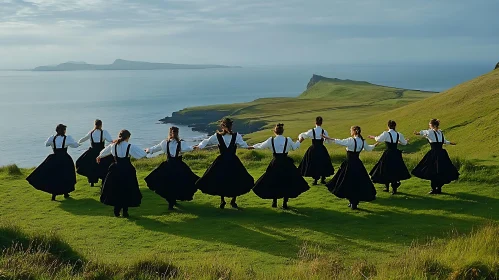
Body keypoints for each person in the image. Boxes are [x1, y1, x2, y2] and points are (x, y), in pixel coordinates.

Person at [194, 118, 254, 209]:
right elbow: (207, 141)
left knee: (231, 179)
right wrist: (200, 146)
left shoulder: (234, 135)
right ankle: (226, 200)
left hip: (227, 161)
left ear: (223, 126)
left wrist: (200, 146)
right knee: (226, 179)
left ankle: (230, 200)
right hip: (228, 161)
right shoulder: (220, 136)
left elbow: (207, 141)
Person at [251, 123, 309, 209]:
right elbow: (295, 147)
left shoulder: (271, 140)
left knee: (274, 181)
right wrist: (299, 140)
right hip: (286, 163)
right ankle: (285, 203)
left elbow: (261, 146)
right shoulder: (287, 140)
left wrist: (252, 147)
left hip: (275, 163)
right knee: (287, 181)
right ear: (283, 131)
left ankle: (274, 201)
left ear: (275, 132)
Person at [145, 126, 199, 210]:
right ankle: (171, 201)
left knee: (173, 184)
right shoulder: (174, 143)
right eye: (173, 132)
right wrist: (149, 150)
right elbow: (156, 148)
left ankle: (172, 201)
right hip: (175, 166)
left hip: (172, 166)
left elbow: (156, 148)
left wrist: (149, 150)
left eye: (174, 132)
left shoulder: (172, 143)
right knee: (172, 183)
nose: (173, 134)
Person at [323, 126, 377, 210]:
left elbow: (340, 142)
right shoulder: (362, 141)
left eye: (351, 130)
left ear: (355, 131)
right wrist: (375, 145)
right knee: (358, 182)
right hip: (358, 164)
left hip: (349, 164)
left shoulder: (351, 140)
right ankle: (354, 202)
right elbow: (369, 148)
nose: (350, 132)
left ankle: (352, 201)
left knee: (347, 182)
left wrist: (328, 138)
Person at [97, 129, 147, 217]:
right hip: (127, 170)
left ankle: (116, 210)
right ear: (127, 137)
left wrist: (99, 156)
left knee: (116, 189)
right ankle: (125, 211)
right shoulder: (129, 146)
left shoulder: (113, 145)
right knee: (127, 189)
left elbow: (104, 152)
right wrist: (147, 151)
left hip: (115, 169)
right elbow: (142, 154)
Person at [26, 124, 79, 201]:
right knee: (65, 175)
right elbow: (75, 145)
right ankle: (65, 192)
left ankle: (54, 195)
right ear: (64, 131)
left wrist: (53, 142)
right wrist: (79, 143)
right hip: (64, 159)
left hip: (54, 159)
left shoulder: (52, 138)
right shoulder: (67, 138)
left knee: (54, 176)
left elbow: (46, 144)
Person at [412, 119, 459, 194]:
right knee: (441, 170)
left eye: (429, 125)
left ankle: (434, 189)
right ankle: (439, 188)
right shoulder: (440, 133)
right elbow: (444, 141)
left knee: (432, 171)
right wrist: (451, 143)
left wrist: (417, 133)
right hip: (442, 153)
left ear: (432, 125)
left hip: (433, 154)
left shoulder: (430, 132)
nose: (429, 126)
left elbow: (423, 132)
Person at [368, 120, 411, 194]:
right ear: (395, 126)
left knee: (385, 169)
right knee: (395, 169)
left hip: (388, 154)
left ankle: (386, 187)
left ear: (388, 126)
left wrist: (373, 137)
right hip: (396, 154)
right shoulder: (398, 134)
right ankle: (394, 189)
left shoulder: (386, 133)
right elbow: (404, 143)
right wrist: (406, 140)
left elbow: (378, 139)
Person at [75, 119, 113, 187]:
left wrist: (78, 143)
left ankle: (91, 182)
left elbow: (84, 139)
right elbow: (110, 140)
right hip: (101, 152)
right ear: (101, 125)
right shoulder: (104, 132)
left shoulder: (91, 133)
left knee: (91, 167)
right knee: (104, 166)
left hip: (92, 152)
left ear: (94, 125)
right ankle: (103, 181)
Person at [297, 116, 335, 185]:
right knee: (323, 162)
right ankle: (323, 178)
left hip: (313, 149)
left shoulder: (312, 131)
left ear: (315, 122)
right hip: (321, 148)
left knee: (314, 163)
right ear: (321, 123)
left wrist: (299, 140)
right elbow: (327, 141)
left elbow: (304, 135)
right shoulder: (324, 131)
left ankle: (315, 180)